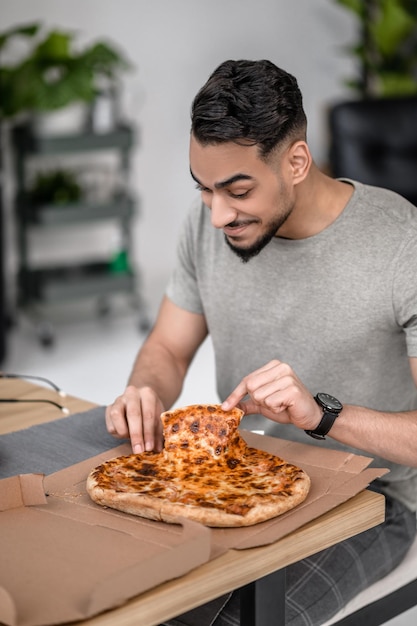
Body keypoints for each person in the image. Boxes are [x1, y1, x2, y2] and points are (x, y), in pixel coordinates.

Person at [106, 59, 417, 625]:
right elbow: (169, 351)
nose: (219, 213)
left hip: (374, 500)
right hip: (238, 471)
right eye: (203, 188)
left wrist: (322, 415)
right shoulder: (206, 224)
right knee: (117, 589)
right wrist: (142, 391)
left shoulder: (401, 245)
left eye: (238, 189)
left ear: (297, 161)